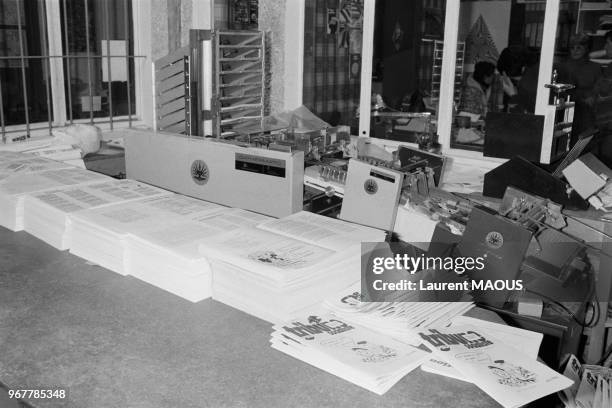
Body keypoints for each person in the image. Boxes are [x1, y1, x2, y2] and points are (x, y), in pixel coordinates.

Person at [557, 33, 603, 141]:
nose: (575, 51)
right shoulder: (563, 67)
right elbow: (562, 89)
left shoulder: (595, 67)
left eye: (579, 48)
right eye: (572, 48)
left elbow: (599, 87)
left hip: (588, 110)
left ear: (586, 49)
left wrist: (593, 97)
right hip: (568, 107)